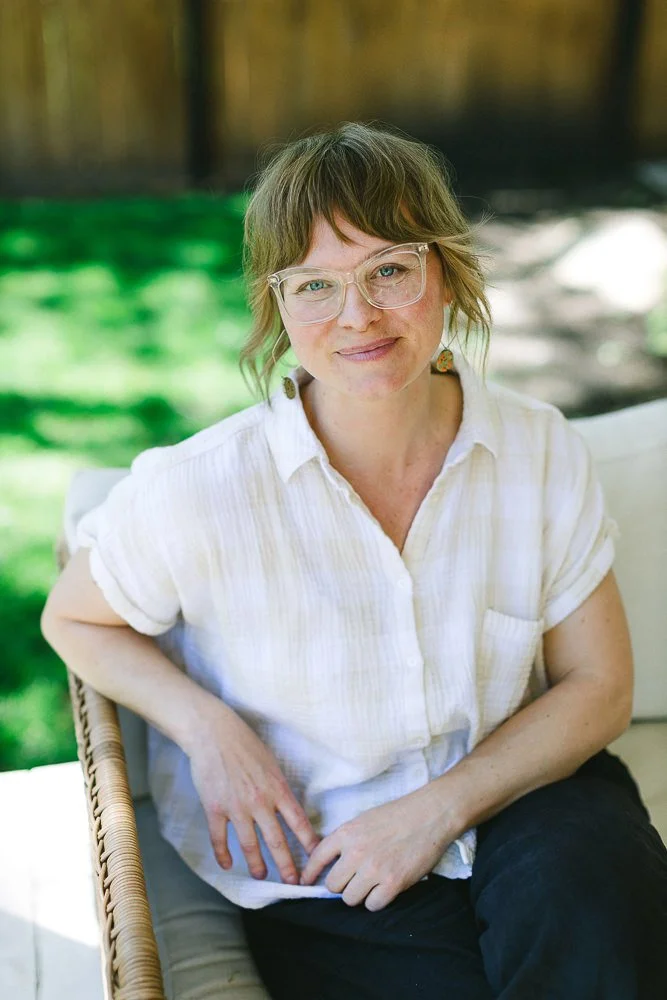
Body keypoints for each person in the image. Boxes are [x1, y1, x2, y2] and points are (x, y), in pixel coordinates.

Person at [41, 122, 667, 999]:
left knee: (599, 922)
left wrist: (437, 809)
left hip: (531, 799)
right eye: (314, 286)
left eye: (388, 269)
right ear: (277, 303)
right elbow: (72, 617)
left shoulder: (536, 448)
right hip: (328, 857)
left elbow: (597, 687)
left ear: (442, 270)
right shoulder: (200, 489)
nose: (357, 316)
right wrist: (208, 730)